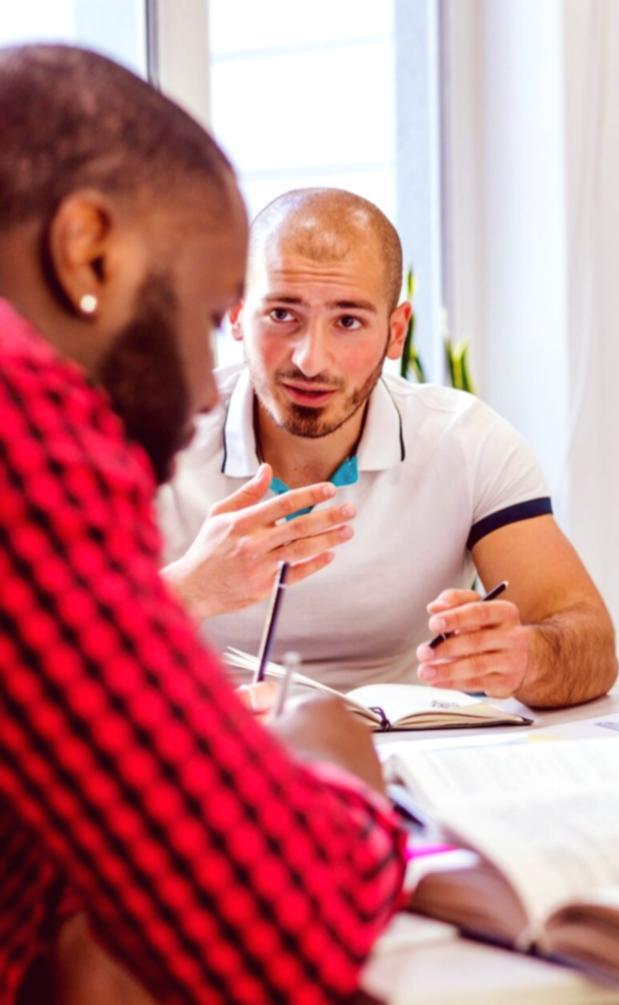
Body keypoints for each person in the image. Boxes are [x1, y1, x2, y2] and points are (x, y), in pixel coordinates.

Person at [0, 45, 406, 1003]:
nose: (198, 384)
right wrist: (326, 751)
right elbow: (277, 935)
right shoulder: (21, 417)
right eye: (211, 311)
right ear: (89, 250)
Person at [157, 188, 617, 705]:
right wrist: (188, 589)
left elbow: (592, 646)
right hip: (207, 754)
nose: (312, 360)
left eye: (348, 322)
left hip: (406, 758)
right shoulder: (150, 439)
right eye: (283, 315)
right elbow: (53, 647)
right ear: (238, 314)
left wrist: (525, 657)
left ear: (396, 332)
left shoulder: (467, 442)